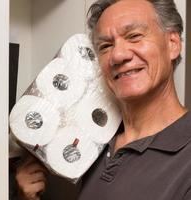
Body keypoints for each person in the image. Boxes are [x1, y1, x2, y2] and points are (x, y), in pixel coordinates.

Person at [15, 0, 190, 199]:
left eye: (134, 36)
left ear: (173, 44)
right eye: (106, 46)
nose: (117, 55)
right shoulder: (91, 141)